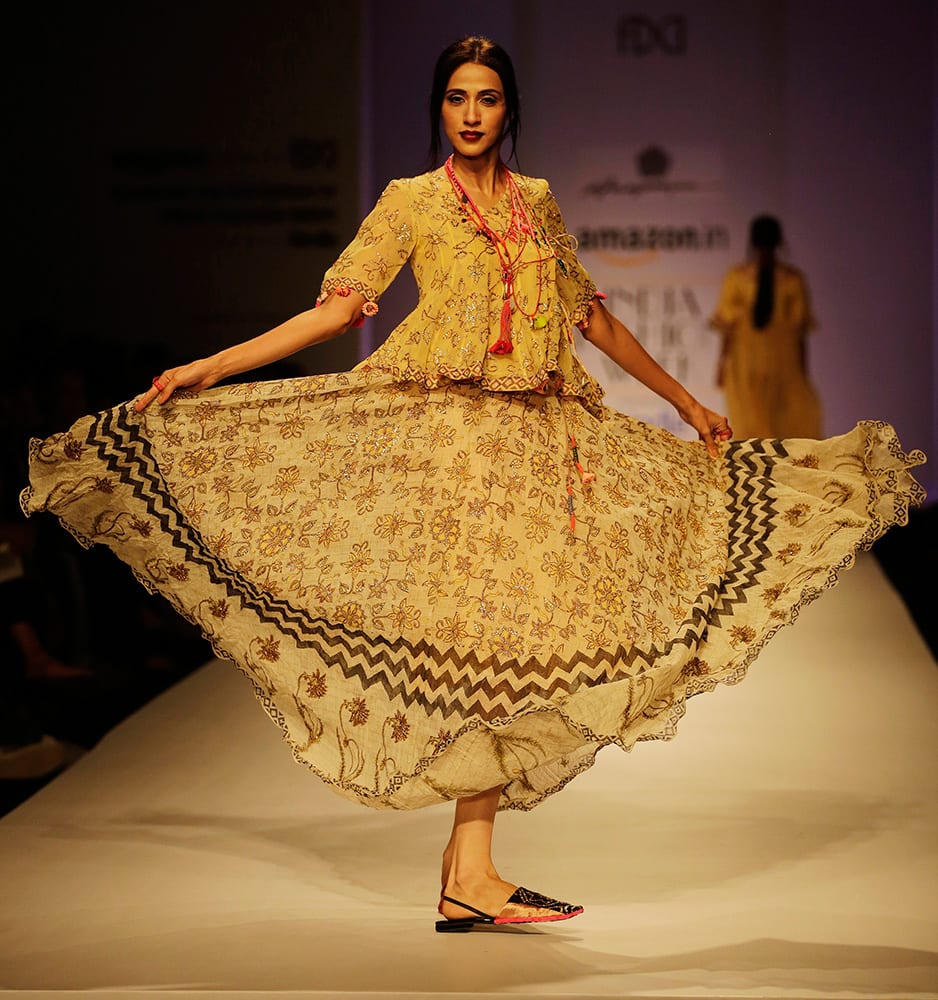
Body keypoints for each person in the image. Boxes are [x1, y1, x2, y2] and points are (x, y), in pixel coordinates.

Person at [22, 37, 924, 932]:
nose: (470, 113)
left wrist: (688, 400)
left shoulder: (537, 203)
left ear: (508, 110)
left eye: (487, 98)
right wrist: (215, 364)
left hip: (537, 444)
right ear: (439, 108)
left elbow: (590, 323)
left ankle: (468, 874)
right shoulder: (410, 201)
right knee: (493, 648)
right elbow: (338, 309)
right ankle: (474, 875)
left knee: (517, 644)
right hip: (452, 451)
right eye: (456, 97)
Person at [711, 215, 822, 439]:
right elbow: (800, 334)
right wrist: (803, 373)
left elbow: (728, 328)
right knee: (785, 428)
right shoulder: (792, 280)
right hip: (777, 363)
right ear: (779, 241)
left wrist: (722, 363)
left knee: (752, 428)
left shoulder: (738, 278)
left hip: (751, 364)